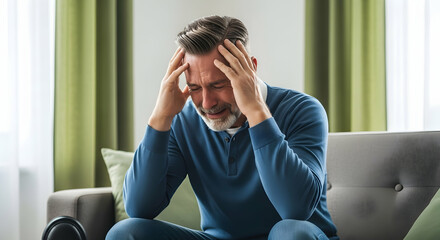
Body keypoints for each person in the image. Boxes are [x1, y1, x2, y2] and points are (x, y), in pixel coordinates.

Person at [106, 15, 338, 240]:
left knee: (291, 233)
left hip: (294, 236)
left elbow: (295, 209)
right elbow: (140, 207)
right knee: (125, 233)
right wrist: (160, 117)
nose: (207, 103)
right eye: (194, 87)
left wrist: (256, 112)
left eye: (218, 84)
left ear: (250, 69)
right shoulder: (184, 120)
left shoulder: (302, 109)